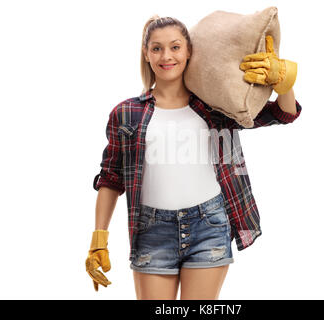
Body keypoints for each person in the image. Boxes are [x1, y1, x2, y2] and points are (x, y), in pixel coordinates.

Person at [85, 15, 302, 300]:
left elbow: (282, 114)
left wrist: (284, 81)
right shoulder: (126, 113)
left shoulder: (214, 105)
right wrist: (99, 237)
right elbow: (111, 177)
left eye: (175, 47)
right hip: (151, 230)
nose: (166, 56)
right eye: (157, 48)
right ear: (146, 54)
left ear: (189, 51)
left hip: (208, 225)